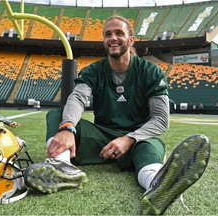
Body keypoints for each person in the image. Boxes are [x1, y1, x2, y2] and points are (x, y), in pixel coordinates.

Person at [24, 15, 210, 215]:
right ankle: (62, 167)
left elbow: (161, 119)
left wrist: (129, 138)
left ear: (130, 40)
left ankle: (157, 185)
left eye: (119, 33)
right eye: (108, 34)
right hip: (103, 140)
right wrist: (68, 127)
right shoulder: (94, 71)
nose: (113, 37)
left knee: (148, 151)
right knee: (56, 116)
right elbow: (77, 98)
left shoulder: (150, 72)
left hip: (138, 138)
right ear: (104, 41)